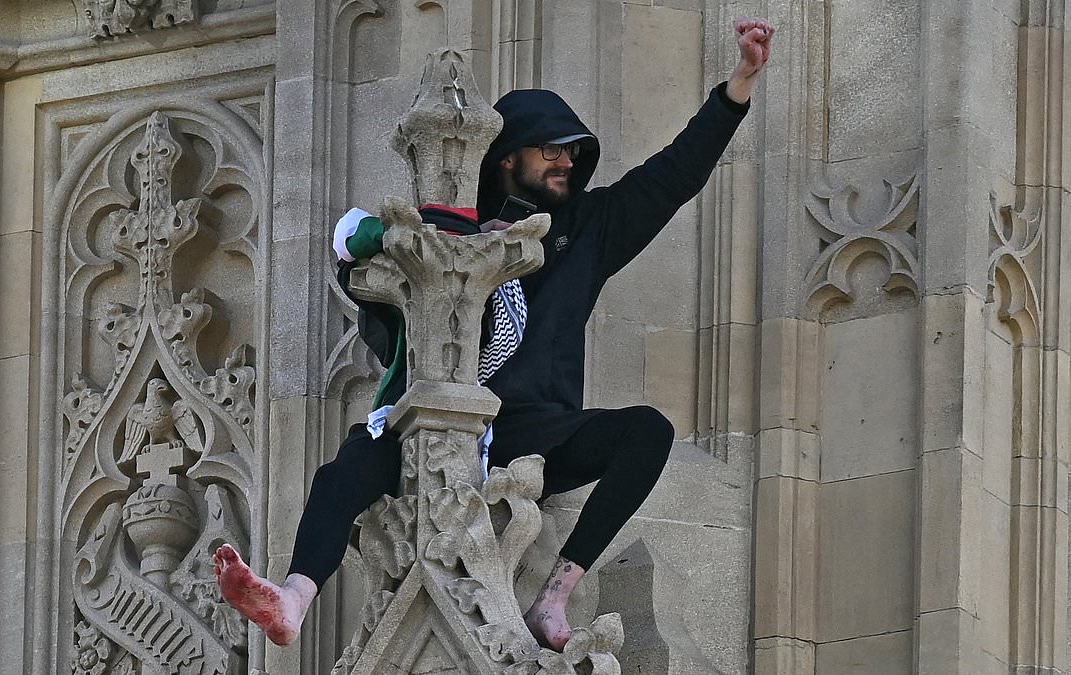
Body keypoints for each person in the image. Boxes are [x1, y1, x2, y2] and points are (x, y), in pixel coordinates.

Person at [214, 16, 775, 652]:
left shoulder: (582, 230)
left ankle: (556, 596)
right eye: (553, 149)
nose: (568, 160)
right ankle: (292, 598)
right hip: (437, 421)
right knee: (346, 469)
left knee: (647, 433)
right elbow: (365, 267)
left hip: (531, 428)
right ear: (508, 158)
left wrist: (737, 87)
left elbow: (672, 177)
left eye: (573, 151)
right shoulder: (448, 229)